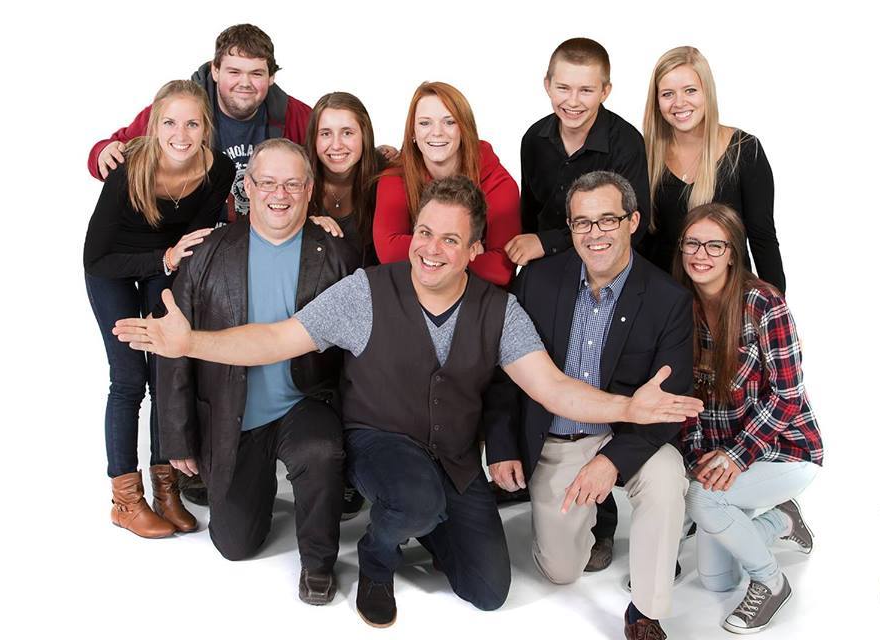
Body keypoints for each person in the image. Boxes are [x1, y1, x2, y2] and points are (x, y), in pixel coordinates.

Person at [113, 175, 704, 628]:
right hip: (379, 441)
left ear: (474, 249)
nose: (431, 249)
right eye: (424, 232)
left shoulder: (500, 310)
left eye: (451, 239)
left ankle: (419, 521)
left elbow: (552, 387)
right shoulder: (366, 291)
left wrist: (629, 410)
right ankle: (378, 554)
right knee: (412, 499)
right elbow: (276, 338)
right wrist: (190, 341)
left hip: (451, 456)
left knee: (489, 589)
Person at [486, 171, 692, 640]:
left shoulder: (667, 300)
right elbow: (504, 375)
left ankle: (647, 610)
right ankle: (590, 526)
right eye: (582, 223)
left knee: (666, 476)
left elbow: (666, 407)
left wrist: (610, 461)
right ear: (570, 227)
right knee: (560, 571)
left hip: (625, 435)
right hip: (555, 439)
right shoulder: (536, 282)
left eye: (607, 220)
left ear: (633, 221)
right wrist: (500, 445)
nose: (595, 234)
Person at [157, 139, 359, 605]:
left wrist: (358, 435)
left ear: (310, 189)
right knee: (234, 545)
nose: (279, 193)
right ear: (247, 187)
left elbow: (355, 357)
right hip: (233, 412)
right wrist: (178, 436)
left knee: (320, 450)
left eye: (292, 183)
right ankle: (255, 487)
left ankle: (318, 562)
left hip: (304, 401)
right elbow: (174, 351)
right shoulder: (207, 253)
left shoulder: (335, 255)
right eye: (267, 182)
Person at [83, 79, 235, 539]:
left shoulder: (218, 171)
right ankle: (126, 500)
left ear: (206, 127)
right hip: (114, 267)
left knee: (166, 370)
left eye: (192, 123)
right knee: (128, 378)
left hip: (162, 266)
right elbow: (96, 257)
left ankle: (165, 486)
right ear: (153, 126)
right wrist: (163, 258)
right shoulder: (129, 168)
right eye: (170, 122)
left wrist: (168, 265)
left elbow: (191, 239)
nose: (181, 134)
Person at [675, 203, 822, 634]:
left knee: (701, 500)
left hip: (784, 453)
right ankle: (783, 519)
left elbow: (788, 396)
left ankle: (772, 583)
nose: (701, 254)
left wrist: (736, 457)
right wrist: (701, 458)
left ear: (733, 253)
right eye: (692, 243)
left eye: (714, 245)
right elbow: (684, 397)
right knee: (716, 580)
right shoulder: (680, 308)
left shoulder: (764, 303)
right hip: (724, 456)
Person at [87, 24, 311, 224]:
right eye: (234, 72)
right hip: (196, 235)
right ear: (215, 70)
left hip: (267, 235)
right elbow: (117, 149)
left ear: (271, 77)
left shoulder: (295, 115)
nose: (245, 83)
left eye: (256, 74)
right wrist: (102, 152)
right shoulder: (184, 108)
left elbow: (327, 164)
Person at [640, 46, 786, 292]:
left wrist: (777, 311)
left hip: (729, 301)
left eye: (690, 91)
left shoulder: (745, 150)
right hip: (665, 303)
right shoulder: (643, 153)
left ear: (707, 92)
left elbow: (763, 241)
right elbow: (640, 245)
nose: (679, 103)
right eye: (667, 94)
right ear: (656, 101)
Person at [506, 37, 650, 267]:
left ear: (605, 92)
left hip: (607, 262)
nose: (573, 102)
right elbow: (530, 215)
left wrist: (548, 242)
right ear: (547, 85)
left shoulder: (627, 142)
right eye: (563, 88)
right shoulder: (534, 138)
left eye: (586, 90)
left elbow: (635, 227)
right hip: (546, 263)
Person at [372, 82, 520, 287]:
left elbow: (501, 269)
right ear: (412, 132)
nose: (437, 132)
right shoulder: (395, 176)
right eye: (425, 123)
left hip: (477, 299)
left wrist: (427, 256)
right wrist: (463, 250)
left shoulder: (498, 181)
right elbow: (388, 251)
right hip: (412, 296)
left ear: (464, 128)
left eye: (449, 122)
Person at [305, 92, 385, 267]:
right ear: (314, 138)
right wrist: (303, 227)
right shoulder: (295, 177)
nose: (336, 145)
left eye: (347, 133)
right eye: (325, 134)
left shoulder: (384, 176)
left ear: (365, 135)